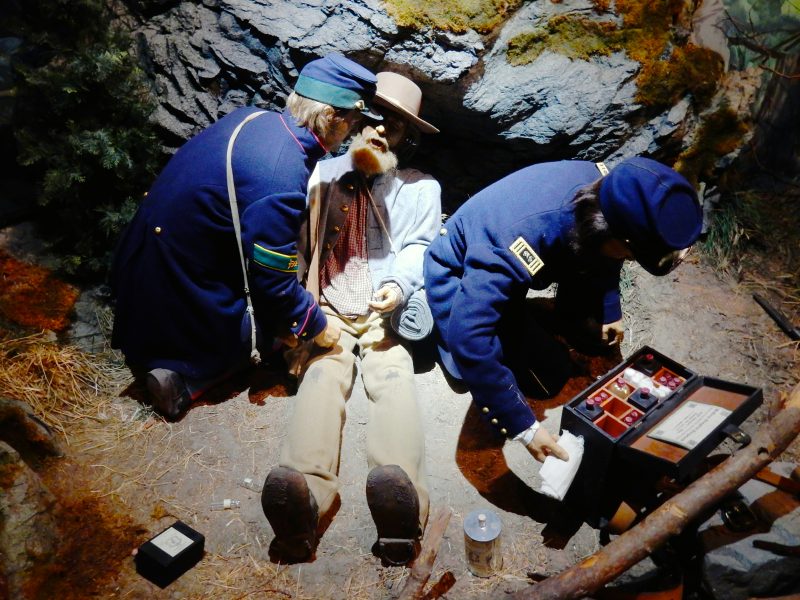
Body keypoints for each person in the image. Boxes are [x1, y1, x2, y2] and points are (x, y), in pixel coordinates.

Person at [110, 54, 382, 419]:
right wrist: (315, 324)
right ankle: (181, 380)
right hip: (178, 285)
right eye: (354, 121)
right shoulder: (281, 174)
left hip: (145, 258)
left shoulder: (256, 118)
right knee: (269, 337)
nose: (353, 131)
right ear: (333, 118)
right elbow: (273, 282)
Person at [260, 72, 441, 565]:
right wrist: (298, 319)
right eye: (377, 121)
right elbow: (296, 248)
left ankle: (402, 504)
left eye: (397, 129)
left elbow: (420, 246)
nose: (383, 133)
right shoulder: (318, 175)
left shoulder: (419, 189)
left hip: (384, 314)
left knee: (393, 379)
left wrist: (397, 286)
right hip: (329, 312)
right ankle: (306, 500)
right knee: (323, 378)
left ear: (408, 139)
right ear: (357, 121)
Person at [423, 158, 703, 462]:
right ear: (613, 236)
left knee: (592, 337)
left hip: (547, 247)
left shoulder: (614, 192)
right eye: (632, 254)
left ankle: (534, 320)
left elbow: (614, 251)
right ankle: (438, 325)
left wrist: (610, 308)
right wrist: (524, 428)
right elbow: (470, 335)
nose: (629, 257)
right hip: (459, 271)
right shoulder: (523, 235)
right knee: (542, 377)